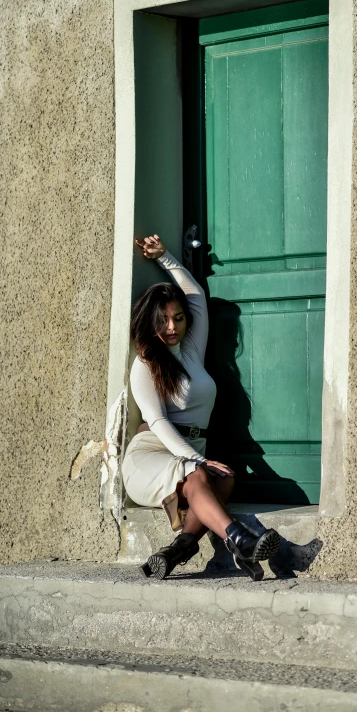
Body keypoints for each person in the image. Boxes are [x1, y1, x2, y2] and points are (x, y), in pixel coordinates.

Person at [121, 233, 279, 581]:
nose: (172, 327)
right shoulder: (145, 364)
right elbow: (158, 423)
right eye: (163, 320)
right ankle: (241, 540)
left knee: (224, 480)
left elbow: (194, 293)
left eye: (178, 318)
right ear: (150, 322)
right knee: (200, 474)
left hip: (190, 454)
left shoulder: (191, 349)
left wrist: (164, 257)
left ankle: (176, 550)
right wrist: (198, 460)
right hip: (150, 456)